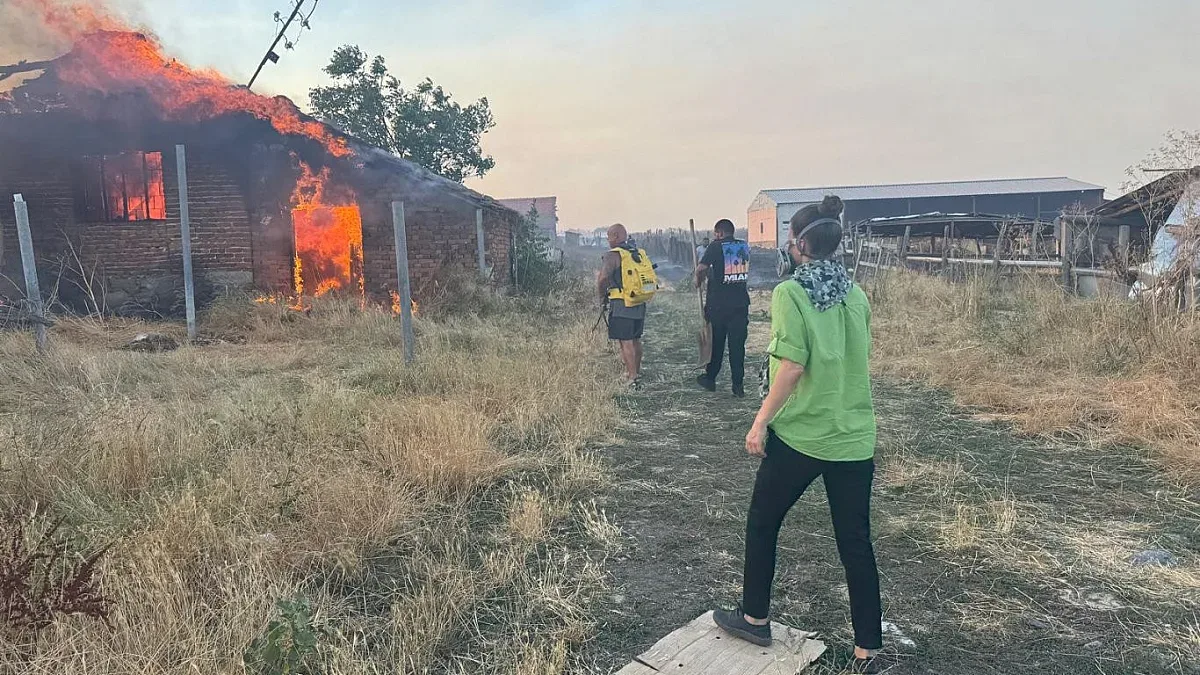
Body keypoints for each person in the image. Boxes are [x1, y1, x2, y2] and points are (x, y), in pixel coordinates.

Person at [712, 196, 885, 674]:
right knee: (855, 542)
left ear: (800, 244)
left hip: (804, 434)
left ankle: (754, 617)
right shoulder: (856, 294)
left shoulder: (791, 293)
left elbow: (792, 366)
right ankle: (868, 649)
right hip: (854, 436)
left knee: (763, 522)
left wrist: (759, 420)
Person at [694, 219, 750, 397]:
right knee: (737, 346)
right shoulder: (743, 246)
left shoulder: (715, 246)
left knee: (716, 343)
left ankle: (710, 379)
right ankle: (738, 385)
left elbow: (701, 268)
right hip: (740, 304)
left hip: (718, 305)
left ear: (718, 233)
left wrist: (698, 280)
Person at [598, 223, 648, 387]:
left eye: (609, 236)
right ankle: (635, 372)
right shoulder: (636, 253)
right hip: (638, 302)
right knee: (635, 339)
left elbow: (603, 278)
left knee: (625, 341)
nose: (608, 240)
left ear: (617, 236)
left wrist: (601, 297)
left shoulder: (613, 255)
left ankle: (632, 378)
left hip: (621, 303)